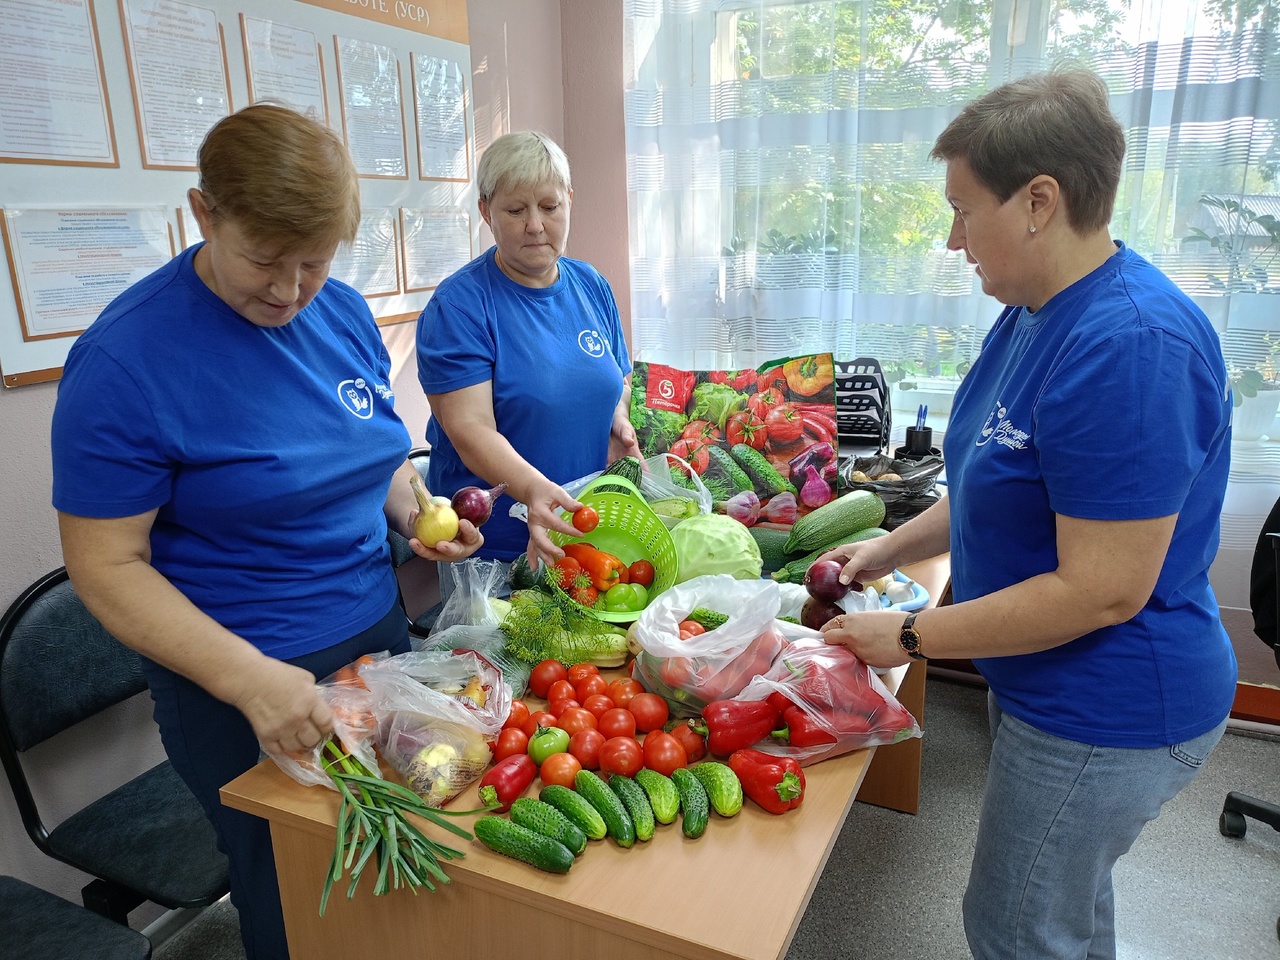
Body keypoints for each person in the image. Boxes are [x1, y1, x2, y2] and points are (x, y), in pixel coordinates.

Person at [818, 69, 1237, 960]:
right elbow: (990, 474)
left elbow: (1102, 592)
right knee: (1066, 912)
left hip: (1109, 704)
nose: (952, 239)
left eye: (964, 212)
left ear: (1039, 201)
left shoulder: (1132, 347)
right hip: (1046, 682)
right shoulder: (1033, 311)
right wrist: (888, 546)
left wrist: (911, 636)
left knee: (1017, 930)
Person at [50, 103, 481, 960]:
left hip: (376, 644)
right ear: (203, 214)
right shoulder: (126, 361)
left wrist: (415, 513)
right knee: (297, 897)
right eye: (263, 259)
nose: (289, 290)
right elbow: (106, 567)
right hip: (239, 681)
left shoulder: (342, 314)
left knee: (402, 863)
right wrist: (250, 683)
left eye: (313, 262)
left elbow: (377, 456)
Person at [416, 130, 640, 583]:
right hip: (493, 555)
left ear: (569, 201)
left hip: (583, 537)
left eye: (549, 206)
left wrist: (618, 417)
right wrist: (532, 489)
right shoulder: (459, 306)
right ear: (486, 212)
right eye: (516, 210)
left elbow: (619, 377)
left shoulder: (591, 285)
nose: (535, 225)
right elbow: (470, 429)